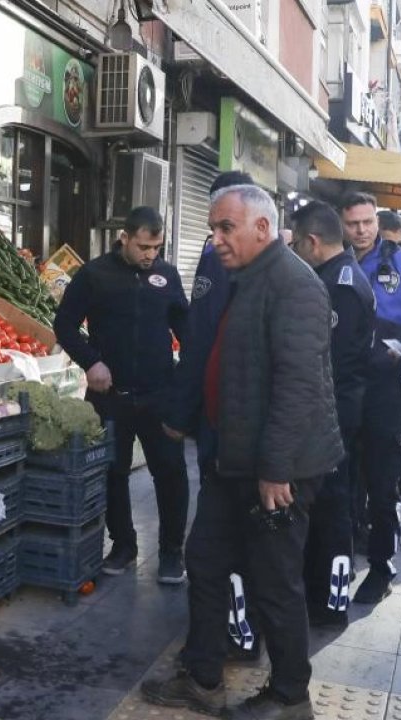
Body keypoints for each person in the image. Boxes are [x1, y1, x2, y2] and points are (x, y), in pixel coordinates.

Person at [142, 184, 342, 720]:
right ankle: (203, 678)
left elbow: (298, 387)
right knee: (206, 561)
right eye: (213, 228)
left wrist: (275, 470)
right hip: (234, 461)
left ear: (262, 227)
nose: (216, 239)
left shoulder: (294, 286)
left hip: (277, 470)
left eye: (226, 227)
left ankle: (290, 697)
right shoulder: (248, 278)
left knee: (274, 582)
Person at [53, 206, 191, 584]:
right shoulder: (94, 275)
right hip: (110, 395)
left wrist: (186, 379)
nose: (150, 255)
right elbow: (64, 325)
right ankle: (124, 545)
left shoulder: (167, 275)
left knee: (171, 473)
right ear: (125, 238)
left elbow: (187, 328)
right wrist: (90, 362)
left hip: (159, 394)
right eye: (143, 247)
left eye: (156, 248)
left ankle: (171, 552)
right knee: (112, 473)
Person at [164, 170, 261, 659]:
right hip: (255, 425)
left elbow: (200, 337)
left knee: (215, 542)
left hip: (225, 421)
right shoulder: (278, 264)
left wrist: (181, 411)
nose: (217, 234)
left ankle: (228, 636)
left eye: (222, 223)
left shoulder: (219, 258)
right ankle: (245, 629)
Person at [339, 192, 401, 604]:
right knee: (340, 479)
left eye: (367, 222)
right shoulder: (332, 262)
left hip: (386, 391)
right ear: (342, 224)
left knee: (384, 483)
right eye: (353, 223)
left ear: (377, 223)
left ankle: (381, 567)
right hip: (341, 387)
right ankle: (339, 559)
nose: (361, 230)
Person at [289, 200, 375, 630]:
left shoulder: (338, 284)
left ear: (312, 241)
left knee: (332, 507)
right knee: (328, 504)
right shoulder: (337, 275)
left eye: (297, 244)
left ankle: (330, 603)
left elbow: (328, 361)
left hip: (335, 410)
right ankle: (322, 595)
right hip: (336, 408)